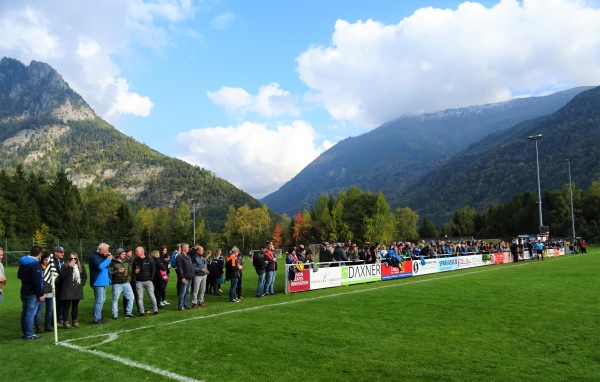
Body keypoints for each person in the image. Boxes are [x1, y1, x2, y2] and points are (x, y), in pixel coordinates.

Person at [18, 245, 45, 340]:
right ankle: (29, 333)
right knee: (30, 313)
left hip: (24, 291)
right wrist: (41, 294)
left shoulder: (23, 262)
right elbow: (37, 281)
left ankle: (25, 332)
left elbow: (19, 275)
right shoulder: (35, 264)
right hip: (32, 293)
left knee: (25, 312)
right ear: (39, 253)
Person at [60, 252, 87, 328]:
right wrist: (69, 267)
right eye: (71, 258)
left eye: (75, 258)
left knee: (75, 306)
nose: (73, 260)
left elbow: (85, 276)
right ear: (69, 259)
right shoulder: (65, 266)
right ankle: (66, 322)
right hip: (68, 288)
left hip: (77, 288)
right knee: (67, 306)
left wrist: (82, 284)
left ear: (77, 259)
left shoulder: (80, 266)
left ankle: (74, 321)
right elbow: (62, 276)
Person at [89, 243, 113, 324]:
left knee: (102, 300)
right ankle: (96, 318)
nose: (108, 251)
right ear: (101, 250)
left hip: (102, 282)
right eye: (106, 250)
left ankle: (99, 316)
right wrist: (108, 259)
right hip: (97, 282)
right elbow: (100, 267)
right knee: (99, 301)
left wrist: (107, 258)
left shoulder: (101, 257)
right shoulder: (94, 257)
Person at [133, 247, 159, 316]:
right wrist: (134, 271)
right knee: (139, 297)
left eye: (136, 251)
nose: (135, 253)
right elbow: (133, 269)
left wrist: (151, 278)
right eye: (135, 251)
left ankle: (155, 310)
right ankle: (142, 311)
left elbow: (154, 269)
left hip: (148, 281)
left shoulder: (149, 259)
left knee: (152, 296)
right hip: (139, 281)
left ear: (142, 251)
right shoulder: (135, 260)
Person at [109, 248, 134, 319]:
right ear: (118, 254)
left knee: (131, 298)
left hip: (126, 283)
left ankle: (128, 313)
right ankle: (115, 314)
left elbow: (129, 272)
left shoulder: (127, 261)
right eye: (122, 254)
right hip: (116, 283)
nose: (124, 255)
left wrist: (128, 280)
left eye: (125, 254)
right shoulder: (112, 262)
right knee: (115, 299)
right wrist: (117, 271)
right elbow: (110, 272)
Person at [34, 253, 54, 333]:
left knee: (50, 309)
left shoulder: (51, 268)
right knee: (39, 310)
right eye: (45, 260)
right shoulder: (38, 267)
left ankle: (48, 325)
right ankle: (38, 326)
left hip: (50, 291)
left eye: (48, 260)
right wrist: (40, 292)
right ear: (42, 259)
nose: (47, 261)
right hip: (41, 292)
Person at [175, 243, 194, 311]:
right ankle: (181, 306)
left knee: (188, 291)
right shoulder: (179, 256)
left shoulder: (188, 256)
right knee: (183, 292)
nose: (188, 248)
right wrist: (182, 277)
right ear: (183, 248)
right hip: (184, 277)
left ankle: (186, 304)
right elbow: (180, 268)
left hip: (189, 276)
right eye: (187, 247)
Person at [52, 246, 66, 325]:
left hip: (62, 285)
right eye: (61, 252)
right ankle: (53, 319)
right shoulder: (52, 261)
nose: (63, 254)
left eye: (63, 252)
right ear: (55, 253)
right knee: (55, 303)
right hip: (55, 285)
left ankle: (59, 318)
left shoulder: (62, 260)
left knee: (61, 302)